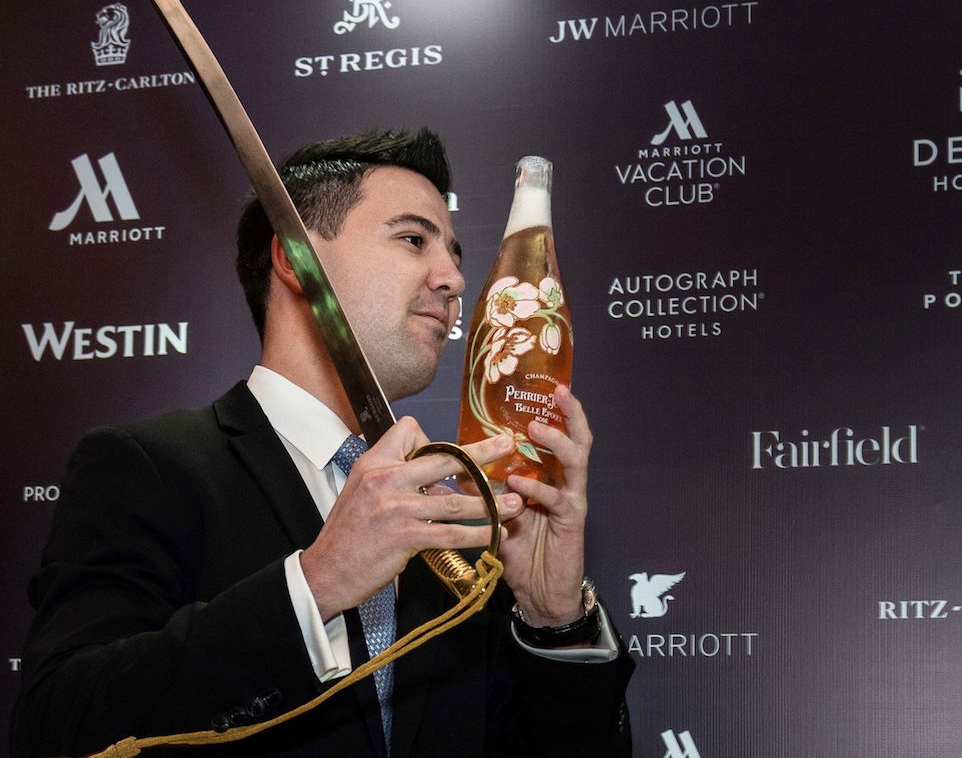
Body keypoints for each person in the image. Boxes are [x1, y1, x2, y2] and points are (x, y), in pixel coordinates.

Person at [11, 128, 634, 758]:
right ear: (294, 259)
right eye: (413, 239)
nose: (453, 280)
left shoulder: (457, 537)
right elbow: (55, 724)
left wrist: (554, 620)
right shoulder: (148, 467)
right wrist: (314, 585)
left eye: (454, 254)